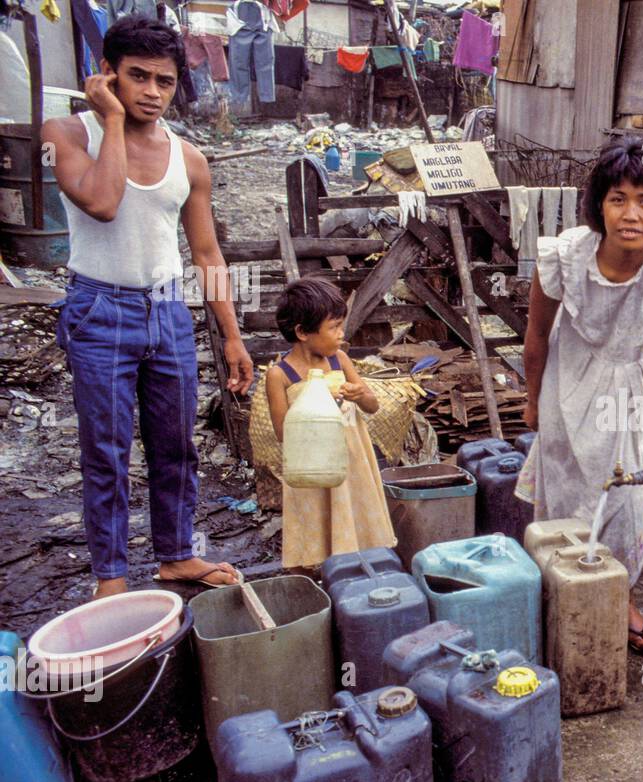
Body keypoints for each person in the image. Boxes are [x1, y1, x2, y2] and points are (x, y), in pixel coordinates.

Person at [43, 15, 253, 600]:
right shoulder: (67, 132)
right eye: (137, 77)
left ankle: (176, 555)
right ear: (107, 74)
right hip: (98, 309)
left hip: (168, 314)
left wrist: (232, 336)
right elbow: (103, 203)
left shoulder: (188, 157)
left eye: (164, 81)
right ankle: (110, 576)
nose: (152, 93)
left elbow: (208, 253)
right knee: (107, 451)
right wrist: (111, 118)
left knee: (174, 445)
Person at [517, 135, 643, 652]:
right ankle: (562, 592)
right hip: (567, 381)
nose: (631, 214)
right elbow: (536, 335)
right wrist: (534, 400)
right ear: (599, 204)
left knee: (627, 499)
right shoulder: (563, 256)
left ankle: (617, 594)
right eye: (617, 198)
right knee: (564, 494)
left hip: (630, 389)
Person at [264, 278, 397, 571]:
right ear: (302, 332)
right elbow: (282, 432)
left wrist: (361, 393)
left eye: (341, 325)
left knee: (354, 516)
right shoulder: (280, 375)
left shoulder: (339, 360)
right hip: (311, 468)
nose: (341, 334)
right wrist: (314, 406)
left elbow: (372, 407)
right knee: (316, 529)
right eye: (334, 327)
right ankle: (316, 581)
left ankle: (361, 573)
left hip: (351, 462)